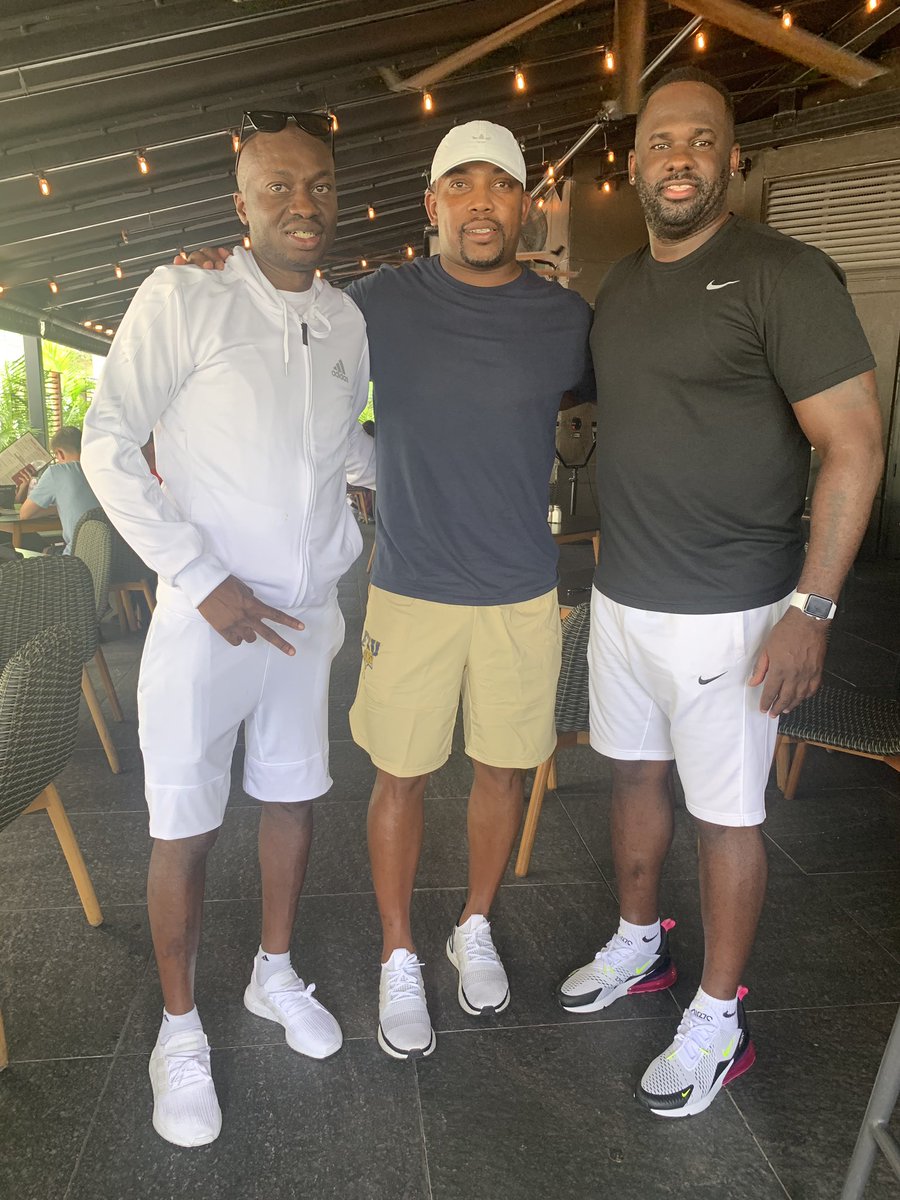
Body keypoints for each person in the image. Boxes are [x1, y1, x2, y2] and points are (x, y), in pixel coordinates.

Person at [176, 119, 594, 1060]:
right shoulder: (375, 306)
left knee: (504, 768)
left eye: (500, 185)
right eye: (461, 185)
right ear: (431, 204)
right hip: (409, 586)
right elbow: (282, 317)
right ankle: (399, 952)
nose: (481, 203)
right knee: (398, 774)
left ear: (524, 203)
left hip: (524, 587)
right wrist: (219, 270)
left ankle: (473, 924)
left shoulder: (566, 319)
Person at [557, 68, 884, 1119]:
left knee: (728, 819)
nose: (680, 159)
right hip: (623, 596)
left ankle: (717, 1015)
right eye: (660, 143)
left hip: (735, 610)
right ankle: (642, 944)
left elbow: (856, 445)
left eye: (701, 141)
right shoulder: (620, 287)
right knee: (636, 781)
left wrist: (813, 608)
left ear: (732, 161)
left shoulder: (785, 274)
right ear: (638, 163)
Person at [81, 113, 375, 1147]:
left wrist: (382, 486)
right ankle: (178, 1029)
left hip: (306, 619)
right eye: (280, 186)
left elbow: (341, 445)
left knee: (295, 798)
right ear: (240, 204)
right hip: (207, 622)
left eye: (323, 185)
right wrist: (201, 577)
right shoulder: (185, 295)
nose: (306, 203)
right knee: (186, 824)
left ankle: (273, 974)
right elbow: (107, 444)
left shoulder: (345, 319)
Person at [18, 425, 100, 552]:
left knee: (41, 550)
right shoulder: (101, 470)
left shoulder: (56, 472)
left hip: (78, 554)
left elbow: (24, 514)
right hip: (114, 554)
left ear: (60, 453)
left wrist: (55, 509)